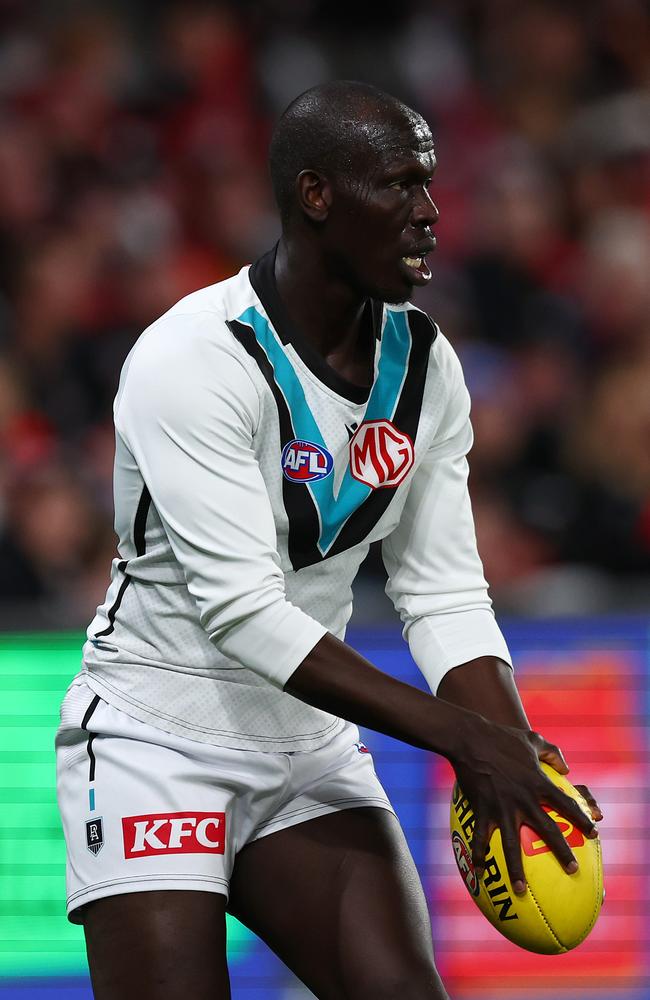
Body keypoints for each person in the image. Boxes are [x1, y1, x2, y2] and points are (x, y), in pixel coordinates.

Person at [55, 81, 601, 1000]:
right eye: (399, 186)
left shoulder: (428, 366)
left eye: (429, 185)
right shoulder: (192, 358)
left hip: (306, 743)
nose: (429, 214)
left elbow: (444, 595)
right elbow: (244, 615)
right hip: (158, 737)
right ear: (317, 196)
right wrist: (464, 742)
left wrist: (518, 754)